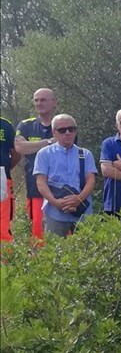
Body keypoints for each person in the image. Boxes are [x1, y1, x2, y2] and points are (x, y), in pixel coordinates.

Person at [32, 114, 97, 237]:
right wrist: (55, 202)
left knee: (84, 252)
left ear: (75, 131)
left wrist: (79, 199)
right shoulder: (44, 154)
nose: (67, 133)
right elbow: (41, 182)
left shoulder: (85, 154)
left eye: (71, 129)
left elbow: (91, 180)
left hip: (82, 211)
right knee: (55, 252)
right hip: (54, 211)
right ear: (54, 132)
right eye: (62, 130)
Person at [15, 88, 58, 241]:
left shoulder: (63, 124)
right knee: (38, 234)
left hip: (61, 190)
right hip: (35, 188)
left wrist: (33, 146)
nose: (39, 103)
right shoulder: (26, 125)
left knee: (61, 236)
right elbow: (20, 148)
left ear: (54, 102)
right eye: (36, 100)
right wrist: (49, 142)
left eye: (43, 99)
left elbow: (67, 147)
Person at [1, 115, 21, 242]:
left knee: (3, 225)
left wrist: (6, 169)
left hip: (1, 176)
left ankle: (5, 260)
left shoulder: (5, 124)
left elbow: (16, 153)